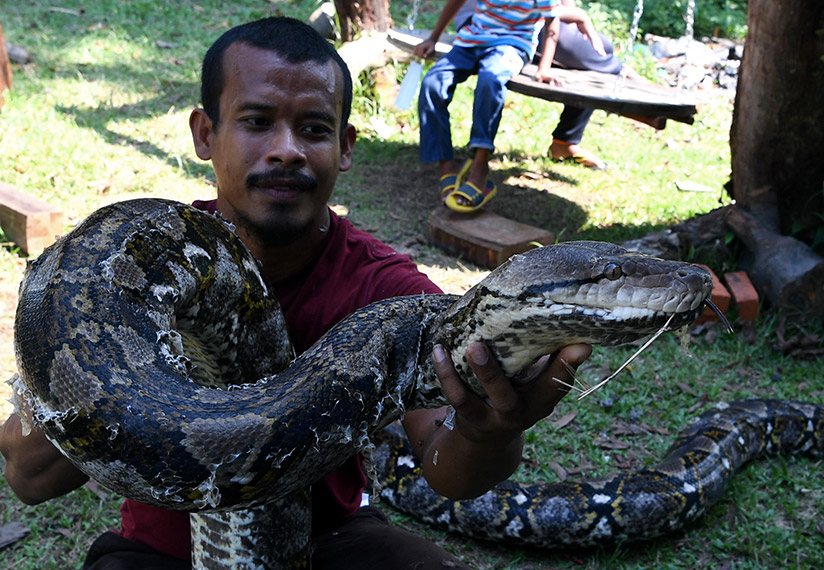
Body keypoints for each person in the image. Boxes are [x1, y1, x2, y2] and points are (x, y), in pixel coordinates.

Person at [0, 17, 591, 569]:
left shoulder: (385, 291)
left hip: (327, 533)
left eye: (314, 128)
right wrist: (116, 384)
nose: (287, 149)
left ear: (347, 146)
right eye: (257, 121)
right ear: (205, 134)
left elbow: (447, 470)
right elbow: (29, 480)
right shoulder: (128, 272)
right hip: (160, 546)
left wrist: (490, 430)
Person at [415, 0, 606, 213]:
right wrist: (433, 38)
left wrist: (544, 68)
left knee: (491, 79)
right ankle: (446, 165)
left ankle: (480, 167)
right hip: (472, 41)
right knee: (432, 83)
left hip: (512, 45)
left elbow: (552, 21)